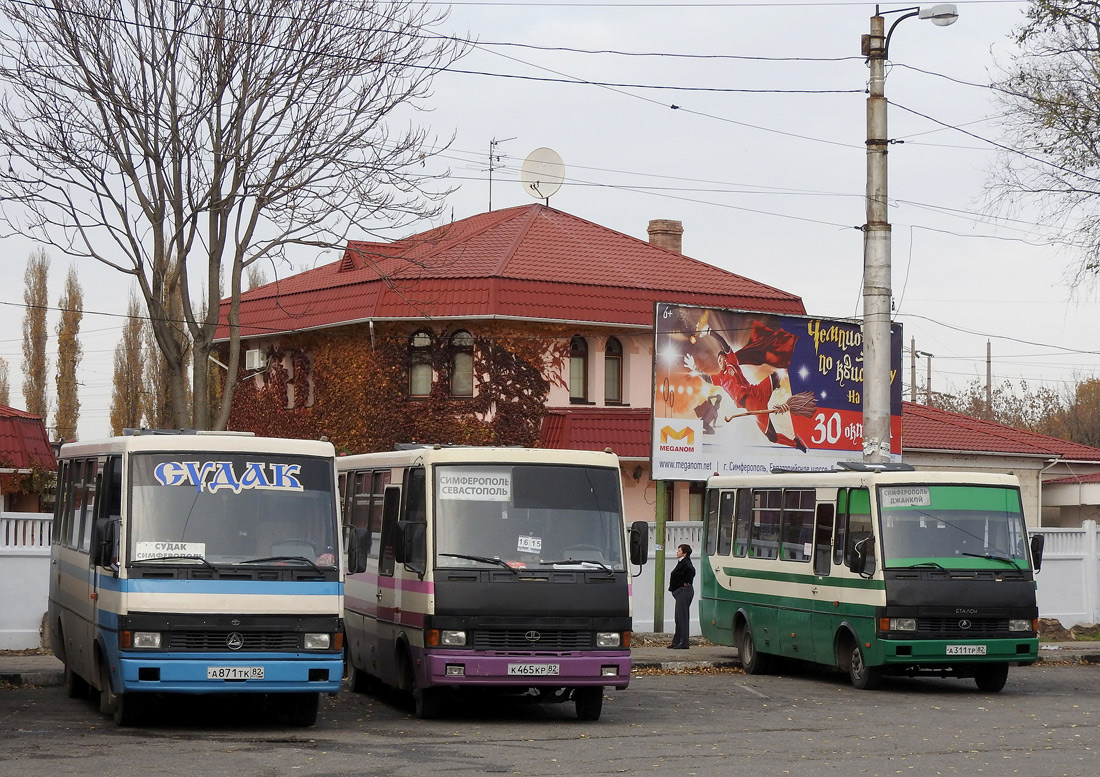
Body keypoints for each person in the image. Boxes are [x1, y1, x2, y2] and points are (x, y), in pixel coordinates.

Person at [668, 543, 696, 649]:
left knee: (682, 617)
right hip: (679, 592)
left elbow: (692, 571)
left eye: (679, 551)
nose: (677, 552)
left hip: (684, 592)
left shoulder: (686, 562)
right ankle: (676, 641)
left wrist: (687, 581)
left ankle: (684, 643)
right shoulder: (681, 562)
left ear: (684, 553)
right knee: (678, 617)